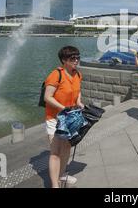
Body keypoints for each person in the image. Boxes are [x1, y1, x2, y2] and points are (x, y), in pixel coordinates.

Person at [43, 46, 84, 188]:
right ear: (64, 60)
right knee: (55, 151)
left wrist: (79, 102)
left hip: (70, 119)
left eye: (78, 57)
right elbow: (47, 97)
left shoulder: (77, 74)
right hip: (54, 118)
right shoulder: (56, 75)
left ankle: (61, 175)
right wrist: (63, 108)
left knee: (66, 147)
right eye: (73, 58)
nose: (76, 60)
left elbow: (78, 90)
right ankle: (55, 185)